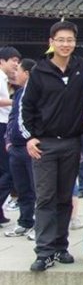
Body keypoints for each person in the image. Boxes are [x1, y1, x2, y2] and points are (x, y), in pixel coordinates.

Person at [22, 20, 83, 272]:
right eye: (61, 40)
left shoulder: (82, 68)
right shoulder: (39, 71)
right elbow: (26, 108)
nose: (65, 44)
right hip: (45, 145)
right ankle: (44, 251)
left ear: (75, 42)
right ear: (51, 42)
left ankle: (61, 246)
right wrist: (30, 137)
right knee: (45, 198)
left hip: (71, 143)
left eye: (70, 40)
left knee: (64, 198)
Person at [4, 58, 36, 237]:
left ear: (27, 73)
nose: (15, 74)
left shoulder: (37, 93)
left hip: (30, 147)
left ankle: (40, 225)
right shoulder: (18, 93)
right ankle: (25, 221)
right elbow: (13, 117)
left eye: (18, 70)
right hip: (15, 148)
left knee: (37, 188)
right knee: (22, 188)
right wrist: (8, 140)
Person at [0, 46, 21, 226]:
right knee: (9, 171)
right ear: (2, 61)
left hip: (4, 125)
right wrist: (17, 101)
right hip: (1, 125)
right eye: (13, 60)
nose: (16, 64)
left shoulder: (5, 79)